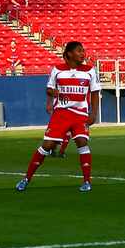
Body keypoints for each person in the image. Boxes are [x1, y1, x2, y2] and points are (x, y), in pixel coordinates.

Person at [16, 41, 100, 192]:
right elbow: (49, 88)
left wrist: (93, 113)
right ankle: (26, 179)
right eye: (79, 51)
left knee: (82, 142)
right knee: (47, 146)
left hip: (81, 114)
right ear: (69, 54)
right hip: (61, 113)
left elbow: (95, 92)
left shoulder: (90, 70)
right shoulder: (57, 70)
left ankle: (87, 182)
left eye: (83, 51)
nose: (83, 53)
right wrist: (52, 95)